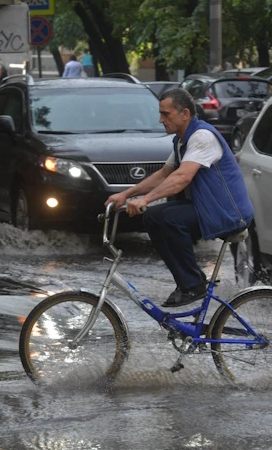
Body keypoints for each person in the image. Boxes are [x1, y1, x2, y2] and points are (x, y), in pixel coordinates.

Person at [104, 88, 253, 307]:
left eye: (166, 114)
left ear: (184, 114)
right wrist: (126, 195)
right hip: (208, 209)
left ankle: (193, 284)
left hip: (228, 213)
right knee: (154, 217)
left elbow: (182, 177)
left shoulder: (202, 137)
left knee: (166, 218)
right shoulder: (183, 140)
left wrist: (145, 200)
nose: (161, 119)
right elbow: (164, 174)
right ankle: (188, 282)